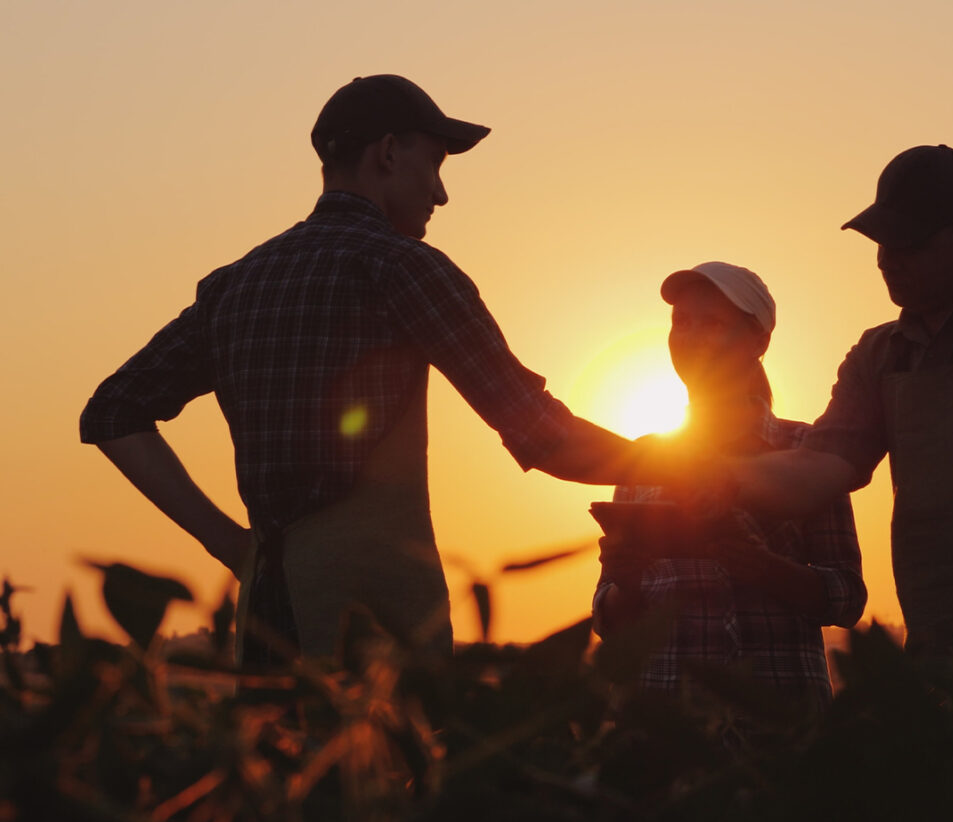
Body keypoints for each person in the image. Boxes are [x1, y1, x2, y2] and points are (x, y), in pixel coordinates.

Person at [79, 75, 680, 666]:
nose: (441, 194)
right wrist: (687, 472)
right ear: (389, 153)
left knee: (272, 766)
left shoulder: (235, 285)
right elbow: (544, 436)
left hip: (266, 621)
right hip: (377, 635)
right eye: (436, 164)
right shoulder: (402, 268)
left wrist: (235, 547)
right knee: (390, 767)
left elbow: (113, 411)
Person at [695, 145, 953, 662]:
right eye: (880, 241)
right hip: (943, 663)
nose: (886, 259)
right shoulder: (879, 356)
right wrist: (710, 477)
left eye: (907, 243)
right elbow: (818, 468)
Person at [591, 262, 866, 711]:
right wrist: (627, 579)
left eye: (713, 322)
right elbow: (609, 617)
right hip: (664, 721)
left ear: (759, 341)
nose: (692, 336)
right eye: (681, 322)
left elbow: (848, 598)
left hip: (780, 719)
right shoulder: (642, 459)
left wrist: (764, 568)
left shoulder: (807, 451)